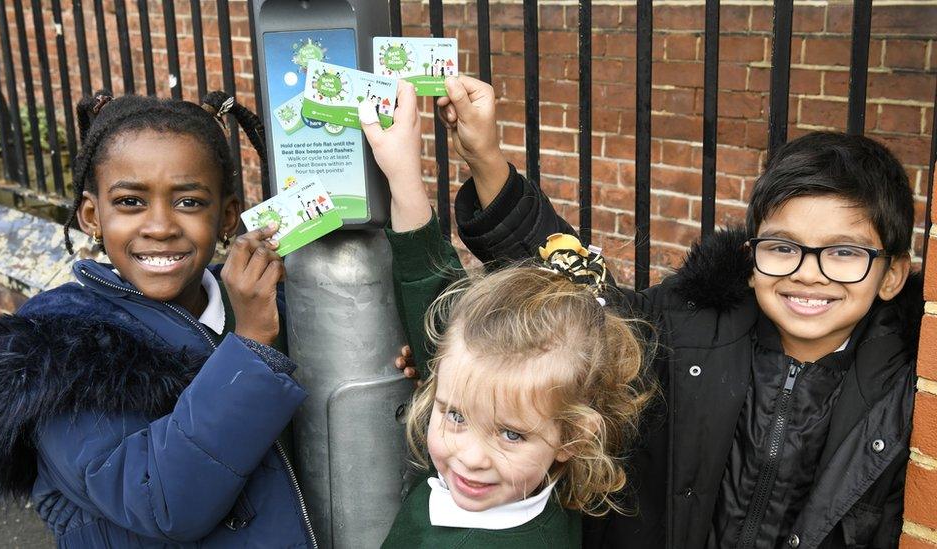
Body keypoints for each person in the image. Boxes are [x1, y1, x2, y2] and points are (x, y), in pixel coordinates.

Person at [394, 75, 921, 549]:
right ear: (750, 257)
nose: (809, 273)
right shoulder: (691, 326)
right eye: (783, 247)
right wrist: (486, 159)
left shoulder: (907, 389)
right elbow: (585, 294)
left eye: (844, 253)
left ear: (892, 273)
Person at [0, 91, 317, 548]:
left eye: (189, 202)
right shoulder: (62, 348)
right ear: (92, 216)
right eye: (131, 202)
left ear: (227, 216)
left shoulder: (266, 308)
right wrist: (250, 346)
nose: (161, 226)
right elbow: (161, 501)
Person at [360, 81, 653, 549]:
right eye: (454, 415)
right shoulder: (528, 476)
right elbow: (430, 285)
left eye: (512, 434)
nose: (471, 457)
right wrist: (403, 176)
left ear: (573, 436)